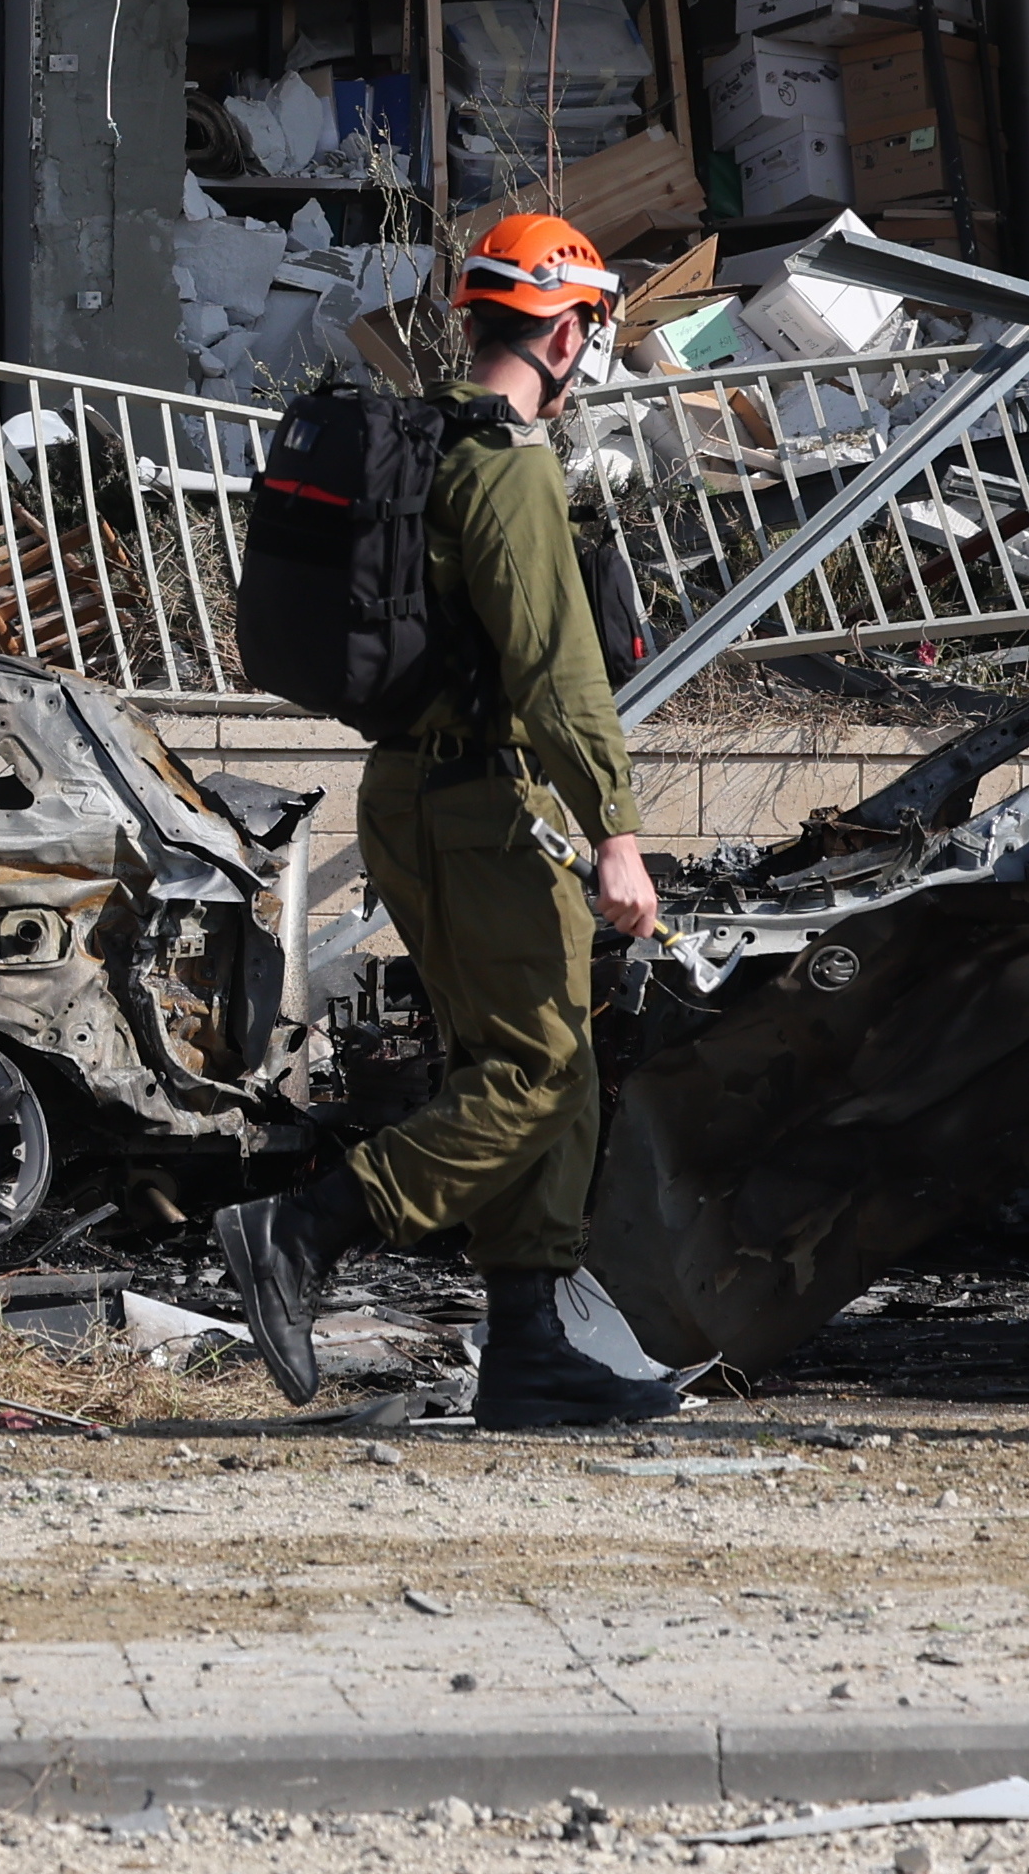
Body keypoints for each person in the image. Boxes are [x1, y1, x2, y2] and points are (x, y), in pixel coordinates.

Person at [203, 213, 688, 1432]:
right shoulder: (507, 463)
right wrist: (617, 833)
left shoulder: (426, 447)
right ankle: (303, 1232)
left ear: (476, 316)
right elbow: (557, 668)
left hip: (412, 792)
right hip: (489, 805)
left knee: (534, 1065)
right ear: (569, 334)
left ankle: (530, 1349)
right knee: (539, 1067)